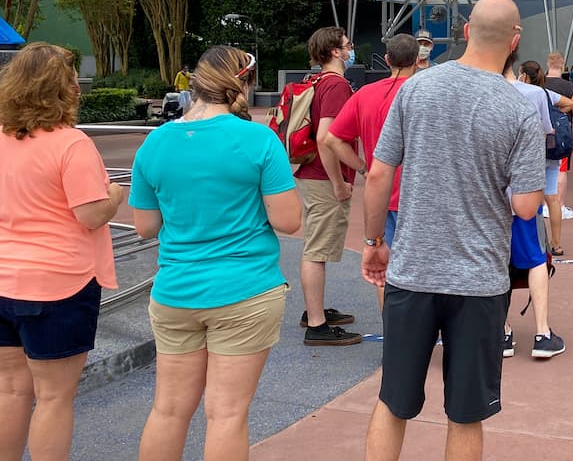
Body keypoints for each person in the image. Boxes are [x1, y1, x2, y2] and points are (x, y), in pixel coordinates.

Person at [360, 0, 545, 461]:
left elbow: (379, 173)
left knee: (393, 400)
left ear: (466, 32)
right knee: (466, 413)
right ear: (515, 40)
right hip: (479, 283)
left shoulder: (416, 89)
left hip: (413, 273)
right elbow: (525, 207)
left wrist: (374, 241)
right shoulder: (519, 106)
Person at [131, 46, 301, 461]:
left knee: (168, 410)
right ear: (244, 82)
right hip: (245, 290)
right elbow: (288, 220)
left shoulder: (155, 143)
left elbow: (145, 227)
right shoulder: (259, 139)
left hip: (175, 292)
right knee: (226, 414)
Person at [0, 43, 124, 461]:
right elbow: (90, 215)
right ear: (61, 89)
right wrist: (115, 194)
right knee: (53, 398)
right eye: (72, 78)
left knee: (11, 389)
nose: (78, 85)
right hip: (59, 284)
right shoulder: (71, 144)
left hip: (3, 279)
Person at [323, 34, 419, 309]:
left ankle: (393, 331)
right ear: (418, 59)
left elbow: (332, 139)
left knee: (383, 266)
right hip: (422, 194)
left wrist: (363, 167)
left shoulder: (365, 94)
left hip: (382, 192)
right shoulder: (425, 93)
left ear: (387, 59)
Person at [296, 26, 361, 346]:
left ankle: (315, 311)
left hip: (311, 173)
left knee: (315, 245)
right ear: (335, 51)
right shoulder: (336, 86)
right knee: (316, 250)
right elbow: (326, 137)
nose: (351, 50)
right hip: (324, 177)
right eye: (347, 45)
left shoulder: (316, 81)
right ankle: (316, 324)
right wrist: (339, 182)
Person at [507, 60, 568, 360]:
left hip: (483, 198)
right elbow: (546, 134)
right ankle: (542, 332)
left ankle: (501, 332)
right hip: (522, 193)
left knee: (494, 262)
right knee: (535, 260)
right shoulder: (533, 94)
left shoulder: (469, 93)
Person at [519, 60, 573, 257]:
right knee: (551, 198)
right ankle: (557, 243)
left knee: (529, 197)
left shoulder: (520, 92)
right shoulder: (545, 93)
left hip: (532, 149)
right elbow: (570, 103)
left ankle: (532, 242)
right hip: (552, 148)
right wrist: (555, 115)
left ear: (523, 75)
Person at [543, 52, 573, 253]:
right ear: (563, 65)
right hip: (560, 140)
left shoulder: (538, 87)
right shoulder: (567, 86)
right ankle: (557, 242)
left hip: (539, 140)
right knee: (559, 177)